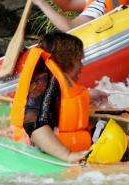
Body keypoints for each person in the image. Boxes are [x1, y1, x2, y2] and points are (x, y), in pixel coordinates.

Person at [9, 32, 95, 163]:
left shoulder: (51, 78)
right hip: (39, 150)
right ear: (68, 60)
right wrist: (68, 155)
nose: (82, 66)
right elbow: (35, 126)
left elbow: (58, 105)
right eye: (79, 60)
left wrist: (91, 96)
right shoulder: (45, 79)